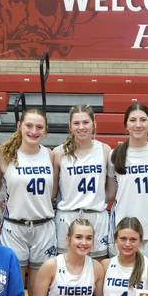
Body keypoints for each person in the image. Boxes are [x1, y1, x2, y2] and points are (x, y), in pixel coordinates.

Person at [0, 107, 56, 293]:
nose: (34, 131)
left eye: (39, 127)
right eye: (29, 125)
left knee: (40, 292)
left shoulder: (50, 154)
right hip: (14, 228)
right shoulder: (3, 154)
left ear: (45, 130)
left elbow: (53, 192)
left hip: (44, 227)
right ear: (19, 125)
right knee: (13, 289)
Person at [53, 104, 113, 261]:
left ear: (94, 124)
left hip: (96, 216)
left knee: (97, 269)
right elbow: (52, 192)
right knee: (65, 269)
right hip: (67, 217)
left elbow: (111, 191)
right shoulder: (58, 153)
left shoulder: (105, 150)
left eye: (86, 122)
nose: (81, 127)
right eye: (76, 123)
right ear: (70, 126)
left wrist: (94, 200)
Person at [110, 103, 148, 261]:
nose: (138, 124)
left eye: (143, 120)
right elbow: (112, 192)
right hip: (123, 227)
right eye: (133, 120)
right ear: (126, 125)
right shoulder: (115, 154)